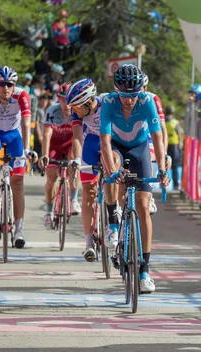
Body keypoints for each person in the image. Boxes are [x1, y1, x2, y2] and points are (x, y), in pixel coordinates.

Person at [99, 65, 169, 294]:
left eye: (134, 95)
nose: (129, 100)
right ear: (116, 90)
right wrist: (111, 171)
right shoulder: (109, 102)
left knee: (143, 207)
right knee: (113, 168)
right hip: (117, 147)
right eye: (125, 95)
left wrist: (162, 168)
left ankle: (145, 270)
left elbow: (158, 137)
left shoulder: (146, 101)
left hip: (139, 149)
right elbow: (105, 141)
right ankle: (112, 218)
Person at [0, 66, 37, 248]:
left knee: (18, 183)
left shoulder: (22, 95)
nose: (5, 88)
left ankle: (18, 230)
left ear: (14, 85)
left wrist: (27, 149)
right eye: (1, 84)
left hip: (14, 135)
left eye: (9, 84)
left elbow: (26, 123)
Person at [67, 78, 106, 261]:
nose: (74, 111)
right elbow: (76, 138)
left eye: (76, 108)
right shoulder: (78, 113)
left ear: (89, 102)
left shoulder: (108, 103)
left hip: (111, 142)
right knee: (88, 193)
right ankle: (89, 243)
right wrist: (76, 159)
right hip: (90, 143)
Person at [38, 83, 81, 229]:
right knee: (51, 179)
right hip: (54, 145)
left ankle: (74, 199)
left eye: (69, 100)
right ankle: (49, 211)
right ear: (58, 99)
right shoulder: (52, 110)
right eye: (63, 100)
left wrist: (77, 159)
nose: (66, 104)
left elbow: (78, 136)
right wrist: (44, 155)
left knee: (74, 161)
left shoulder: (77, 111)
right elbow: (46, 134)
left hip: (70, 144)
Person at [142, 74, 169, 214]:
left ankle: (150, 194)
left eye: (141, 88)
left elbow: (162, 129)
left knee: (151, 155)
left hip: (149, 134)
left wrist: (164, 154)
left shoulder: (153, 98)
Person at [164, 105, 184, 189]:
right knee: (175, 166)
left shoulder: (163, 121)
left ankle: (164, 183)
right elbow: (180, 133)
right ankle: (175, 185)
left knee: (165, 165)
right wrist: (181, 144)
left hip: (165, 146)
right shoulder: (175, 122)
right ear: (173, 113)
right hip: (174, 146)